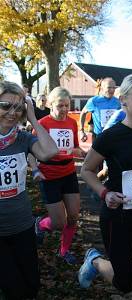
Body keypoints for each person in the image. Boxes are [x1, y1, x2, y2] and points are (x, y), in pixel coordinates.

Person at [78, 74, 132, 299]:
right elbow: (86, 170)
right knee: (125, 283)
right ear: (123, 101)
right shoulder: (110, 137)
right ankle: (96, 261)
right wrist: (104, 193)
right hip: (118, 215)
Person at [0, 81, 58, 299]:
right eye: (6, 106)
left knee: (31, 285)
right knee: (14, 288)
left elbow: (49, 152)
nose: (12, 112)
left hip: (22, 224)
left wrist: (33, 117)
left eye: (18, 107)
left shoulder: (22, 138)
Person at [34, 87, 85, 264]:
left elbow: (76, 147)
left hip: (69, 173)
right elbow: (31, 152)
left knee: (73, 217)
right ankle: (39, 224)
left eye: (67, 105)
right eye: (60, 105)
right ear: (50, 105)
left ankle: (63, 251)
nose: (64, 109)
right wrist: (35, 170)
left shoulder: (72, 122)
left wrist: (82, 152)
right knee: (58, 222)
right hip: (49, 175)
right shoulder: (42, 124)